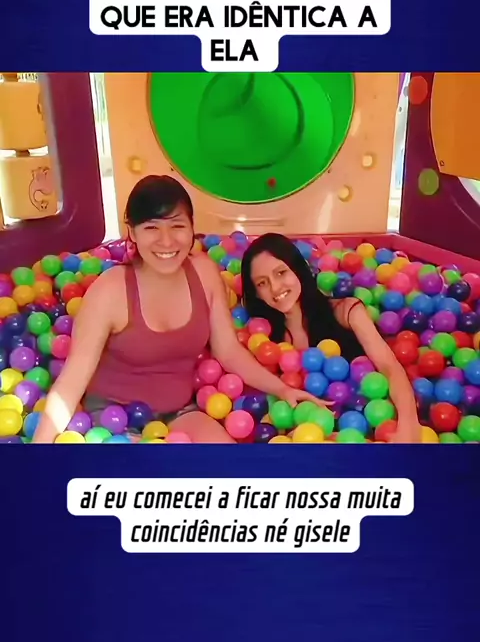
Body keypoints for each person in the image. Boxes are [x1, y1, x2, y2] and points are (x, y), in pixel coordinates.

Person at [33, 177, 325, 445]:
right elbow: (72, 382)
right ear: (131, 232)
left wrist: (282, 389)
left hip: (180, 412)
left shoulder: (204, 274)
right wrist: (37, 455)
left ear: (192, 227)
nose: (166, 241)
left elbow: (228, 351)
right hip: (114, 420)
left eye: (177, 226)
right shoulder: (110, 291)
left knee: (231, 467)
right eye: (151, 228)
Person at [241, 233, 421, 444]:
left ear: (297, 268)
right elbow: (274, 406)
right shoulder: (265, 340)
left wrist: (408, 425)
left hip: (369, 422)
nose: (275, 287)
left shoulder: (346, 311)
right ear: (256, 294)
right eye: (262, 283)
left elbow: (390, 367)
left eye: (281, 273)